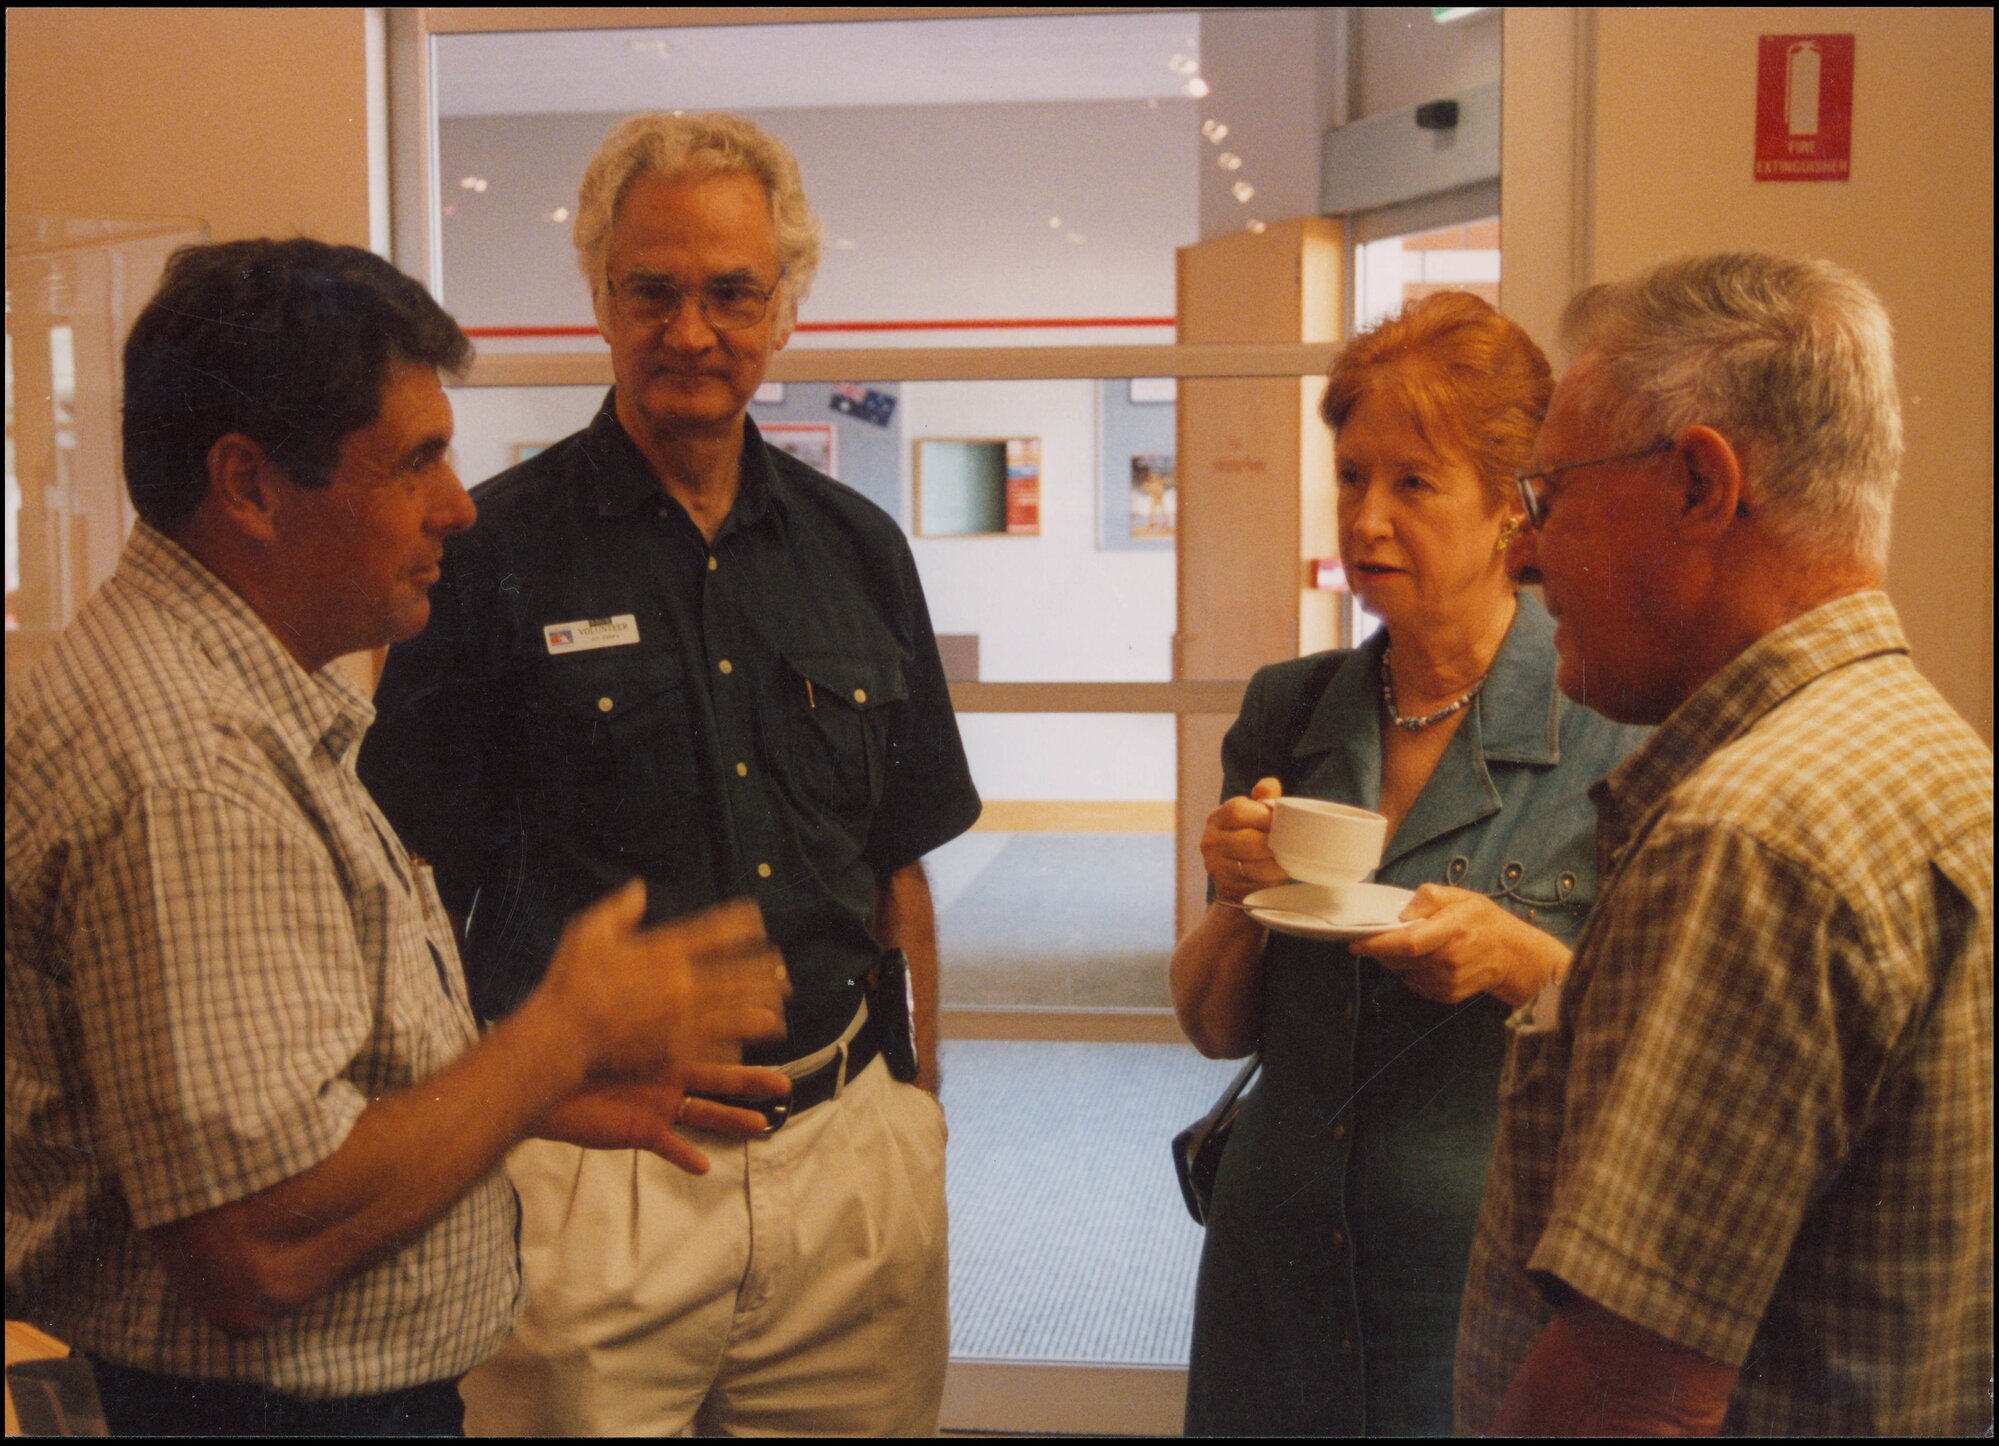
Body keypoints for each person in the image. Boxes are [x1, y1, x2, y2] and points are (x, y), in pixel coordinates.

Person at [3, 239, 793, 1438]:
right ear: (249, 486)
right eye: (416, 461)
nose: (456, 507)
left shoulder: (233, 703)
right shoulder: (193, 771)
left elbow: (297, 1093)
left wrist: (517, 1094)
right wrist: (547, 1040)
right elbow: (258, 1243)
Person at [360, 112, 981, 1436]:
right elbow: (406, 897)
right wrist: (516, 1105)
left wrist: (912, 1113)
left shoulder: (859, 550)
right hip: (591, 1181)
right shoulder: (490, 556)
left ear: (784, 305)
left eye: (730, 293)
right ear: (598, 294)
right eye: (653, 291)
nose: (691, 330)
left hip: (842, 1164)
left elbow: (896, 864)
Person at [1456, 253, 1993, 1436]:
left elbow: (1627, 1396)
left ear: (1700, 484)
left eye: (1547, 497)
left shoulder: (1746, 841)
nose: (1525, 555)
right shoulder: (1938, 762)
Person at [1170, 291, 1649, 1436]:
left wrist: (1519, 958)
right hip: (1272, 1271)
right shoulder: (1289, 711)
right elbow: (1211, 1026)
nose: (1366, 520)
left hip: (1488, 1286)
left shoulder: (1611, 728)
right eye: (1350, 476)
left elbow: (1673, 1049)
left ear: (1510, 516)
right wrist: (1241, 897)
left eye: (1413, 484)